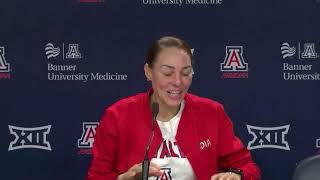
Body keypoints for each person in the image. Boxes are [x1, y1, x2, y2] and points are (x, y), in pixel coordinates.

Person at [87, 36, 261, 180]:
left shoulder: (211, 112)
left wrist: (237, 176)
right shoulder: (118, 116)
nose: (178, 82)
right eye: (168, 73)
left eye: (186, 73)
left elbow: (248, 168)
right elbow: (96, 176)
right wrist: (123, 179)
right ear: (148, 72)